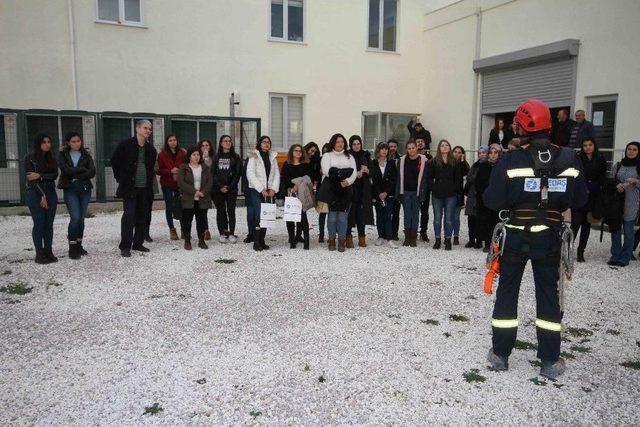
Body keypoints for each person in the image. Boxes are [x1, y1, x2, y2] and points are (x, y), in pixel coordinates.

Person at [484, 99, 587, 380]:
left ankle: (501, 355)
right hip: (550, 238)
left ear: (522, 125)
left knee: (507, 293)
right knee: (548, 296)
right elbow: (580, 199)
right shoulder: (569, 158)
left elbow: (492, 200)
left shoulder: (510, 159)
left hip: (516, 236)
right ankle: (550, 361)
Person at [111, 119, 157, 257]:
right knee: (129, 216)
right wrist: (121, 179)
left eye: (150, 129)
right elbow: (115, 162)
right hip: (130, 187)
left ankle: (138, 243)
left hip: (145, 188)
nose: (148, 131)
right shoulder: (125, 145)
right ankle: (125, 246)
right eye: (145, 128)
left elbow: (150, 169)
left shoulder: (151, 149)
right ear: (137, 129)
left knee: (142, 216)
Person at [57, 132, 96, 259]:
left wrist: (76, 174)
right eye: (73, 141)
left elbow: (92, 172)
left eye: (78, 141)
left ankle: (79, 245)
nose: (76, 143)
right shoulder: (63, 154)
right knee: (75, 217)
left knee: (81, 219)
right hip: (70, 189)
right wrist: (82, 170)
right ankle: (72, 247)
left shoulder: (86, 154)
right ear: (68, 142)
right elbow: (65, 170)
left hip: (84, 189)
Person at [318, 133, 357, 252]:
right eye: (337, 142)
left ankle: (341, 241)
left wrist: (348, 181)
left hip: (346, 189)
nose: (340, 144)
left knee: (343, 218)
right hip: (332, 189)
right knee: (332, 217)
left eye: (342, 142)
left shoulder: (349, 156)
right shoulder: (327, 155)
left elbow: (354, 172)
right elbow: (326, 171)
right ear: (333, 143)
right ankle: (331, 241)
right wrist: (343, 174)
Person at [570, 137, 607, 262]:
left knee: (586, 225)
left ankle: (581, 251)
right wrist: (584, 186)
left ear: (594, 145)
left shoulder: (600, 158)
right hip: (579, 195)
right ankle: (568, 250)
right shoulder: (578, 157)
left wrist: (593, 186)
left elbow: (603, 176)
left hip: (593, 196)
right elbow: (574, 175)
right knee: (575, 224)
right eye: (585, 145)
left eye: (590, 144)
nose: (588, 147)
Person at [24, 133, 59, 264]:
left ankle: (48, 251)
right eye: (44, 142)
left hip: (50, 192)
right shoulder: (30, 158)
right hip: (34, 193)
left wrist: (40, 175)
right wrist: (42, 194)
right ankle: (39, 253)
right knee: (39, 223)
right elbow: (30, 178)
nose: (47, 144)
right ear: (39, 143)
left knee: (49, 224)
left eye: (49, 142)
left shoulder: (52, 158)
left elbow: (54, 175)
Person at [608, 141, 640, 266]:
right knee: (615, 229)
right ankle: (615, 255)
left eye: (634, 149)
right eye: (629, 149)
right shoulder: (619, 165)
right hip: (616, 202)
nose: (631, 151)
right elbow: (611, 180)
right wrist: (617, 184)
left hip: (632, 203)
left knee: (628, 231)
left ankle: (625, 257)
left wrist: (636, 181)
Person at [246, 136, 280, 251]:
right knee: (259, 214)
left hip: (269, 191)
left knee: (267, 215)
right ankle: (256, 241)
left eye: (268, 142)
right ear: (259, 144)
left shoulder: (273, 157)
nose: (266, 144)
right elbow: (250, 174)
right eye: (264, 142)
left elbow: (276, 174)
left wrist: (273, 189)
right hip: (257, 190)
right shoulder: (253, 156)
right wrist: (261, 189)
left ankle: (262, 240)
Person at [427, 139, 461, 250]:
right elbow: (429, 178)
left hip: (451, 195)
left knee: (448, 218)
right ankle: (437, 240)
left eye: (447, 145)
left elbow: (458, 179)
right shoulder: (433, 162)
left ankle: (447, 240)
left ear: (450, 147)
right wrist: (433, 188)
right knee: (437, 218)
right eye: (442, 145)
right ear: (439, 148)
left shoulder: (455, 162)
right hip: (437, 195)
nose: (445, 147)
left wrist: (454, 189)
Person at [177, 146, 213, 250]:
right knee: (187, 220)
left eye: (198, 154)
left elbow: (209, 181)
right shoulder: (184, 167)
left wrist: (203, 192)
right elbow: (181, 182)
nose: (196, 157)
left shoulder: (204, 167)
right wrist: (194, 192)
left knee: (201, 220)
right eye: (194, 155)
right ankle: (187, 241)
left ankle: (201, 241)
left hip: (202, 199)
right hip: (188, 199)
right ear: (189, 156)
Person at [281, 144, 313, 249]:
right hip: (290, 193)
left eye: (300, 151)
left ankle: (305, 239)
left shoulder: (306, 164)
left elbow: (308, 178)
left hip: (302, 194)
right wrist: (292, 186)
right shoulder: (287, 164)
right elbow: (284, 178)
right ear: (292, 152)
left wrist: (297, 185)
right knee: (290, 216)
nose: (298, 152)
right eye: (296, 150)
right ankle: (292, 239)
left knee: (303, 216)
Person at [396, 140, 428, 247]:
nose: (411, 150)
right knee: (407, 214)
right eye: (409, 148)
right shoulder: (402, 160)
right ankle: (407, 237)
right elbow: (399, 177)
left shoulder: (423, 160)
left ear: (416, 148)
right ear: (406, 149)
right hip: (405, 191)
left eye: (413, 148)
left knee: (415, 214)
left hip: (417, 192)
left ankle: (413, 237)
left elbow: (425, 178)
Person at [211, 135, 242, 243]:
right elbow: (213, 173)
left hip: (231, 189)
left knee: (231, 211)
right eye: (225, 141)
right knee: (220, 211)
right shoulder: (216, 157)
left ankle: (232, 233)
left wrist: (229, 186)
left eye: (229, 141)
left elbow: (237, 174)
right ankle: (222, 233)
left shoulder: (236, 157)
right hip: (218, 189)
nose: (228, 143)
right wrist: (220, 186)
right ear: (221, 143)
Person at [156, 134, 185, 240]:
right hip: (167, 183)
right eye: (170, 140)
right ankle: (172, 229)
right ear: (167, 142)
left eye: (174, 140)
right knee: (169, 205)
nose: (173, 142)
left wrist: (180, 170)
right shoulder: (162, 154)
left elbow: (186, 165)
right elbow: (158, 170)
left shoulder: (182, 152)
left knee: (181, 205)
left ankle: (183, 229)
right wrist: (170, 171)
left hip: (180, 184)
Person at [346, 135, 374, 248]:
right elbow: (345, 170)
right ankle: (348, 238)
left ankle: (362, 238)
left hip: (363, 189)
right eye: (354, 144)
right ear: (351, 145)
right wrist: (354, 174)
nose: (356, 146)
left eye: (358, 144)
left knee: (361, 215)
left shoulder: (366, 155)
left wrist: (367, 170)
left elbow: (373, 171)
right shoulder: (347, 156)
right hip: (350, 189)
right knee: (349, 214)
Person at [475, 144, 503, 252]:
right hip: (485, 199)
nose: (493, 155)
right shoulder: (484, 166)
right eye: (491, 153)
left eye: (495, 152)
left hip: (498, 200)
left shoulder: (502, 166)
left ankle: (496, 243)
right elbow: (478, 182)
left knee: (496, 221)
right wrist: (483, 194)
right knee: (485, 221)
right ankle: (487, 243)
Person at [371, 142, 398, 248]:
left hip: (389, 194)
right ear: (378, 150)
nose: (384, 151)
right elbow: (373, 180)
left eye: (386, 149)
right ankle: (380, 236)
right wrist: (379, 193)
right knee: (379, 215)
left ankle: (389, 238)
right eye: (382, 149)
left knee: (388, 215)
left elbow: (393, 180)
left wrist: (386, 192)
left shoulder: (391, 163)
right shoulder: (373, 163)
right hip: (377, 195)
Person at [463, 146, 488, 248]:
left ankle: (479, 240)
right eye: (480, 153)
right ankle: (471, 240)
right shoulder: (475, 165)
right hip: (472, 194)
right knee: (471, 219)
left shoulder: (489, 165)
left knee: (480, 219)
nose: (481, 154)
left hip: (482, 195)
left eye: (483, 152)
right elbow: (469, 177)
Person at [452, 146, 470, 245]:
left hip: (458, 193)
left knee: (456, 217)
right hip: (448, 192)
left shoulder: (463, 164)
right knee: (448, 216)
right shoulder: (448, 162)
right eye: (455, 152)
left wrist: (463, 161)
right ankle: (448, 234)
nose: (457, 154)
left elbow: (467, 172)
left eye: (459, 152)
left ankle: (456, 236)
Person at [197, 139, 215, 240]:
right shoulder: (195, 157)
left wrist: (206, 159)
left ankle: (205, 229)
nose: (205, 147)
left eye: (207, 145)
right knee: (199, 210)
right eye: (203, 146)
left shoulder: (213, 158)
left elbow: (210, 170)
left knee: (204, 210)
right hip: (198, 187)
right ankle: (204, 229)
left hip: (208, 187)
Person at [316, 143, 331, 243]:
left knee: (332, 215)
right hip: (322, 190)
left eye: (327, 151)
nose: (325, 153)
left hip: (333, 190)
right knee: (322, 213)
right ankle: (321, 234)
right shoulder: (320, 160)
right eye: (324, 151)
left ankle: (331, 235)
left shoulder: (334, 160)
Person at [387, 139, 402, 241]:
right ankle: (386, 233)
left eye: (394, 146)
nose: (392, 148)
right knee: (386, 213)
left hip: (397, 190)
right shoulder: (383, 158)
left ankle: (395, 233)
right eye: (390, 146)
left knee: (396, 213)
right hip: (386, 190)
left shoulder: (401, 159)